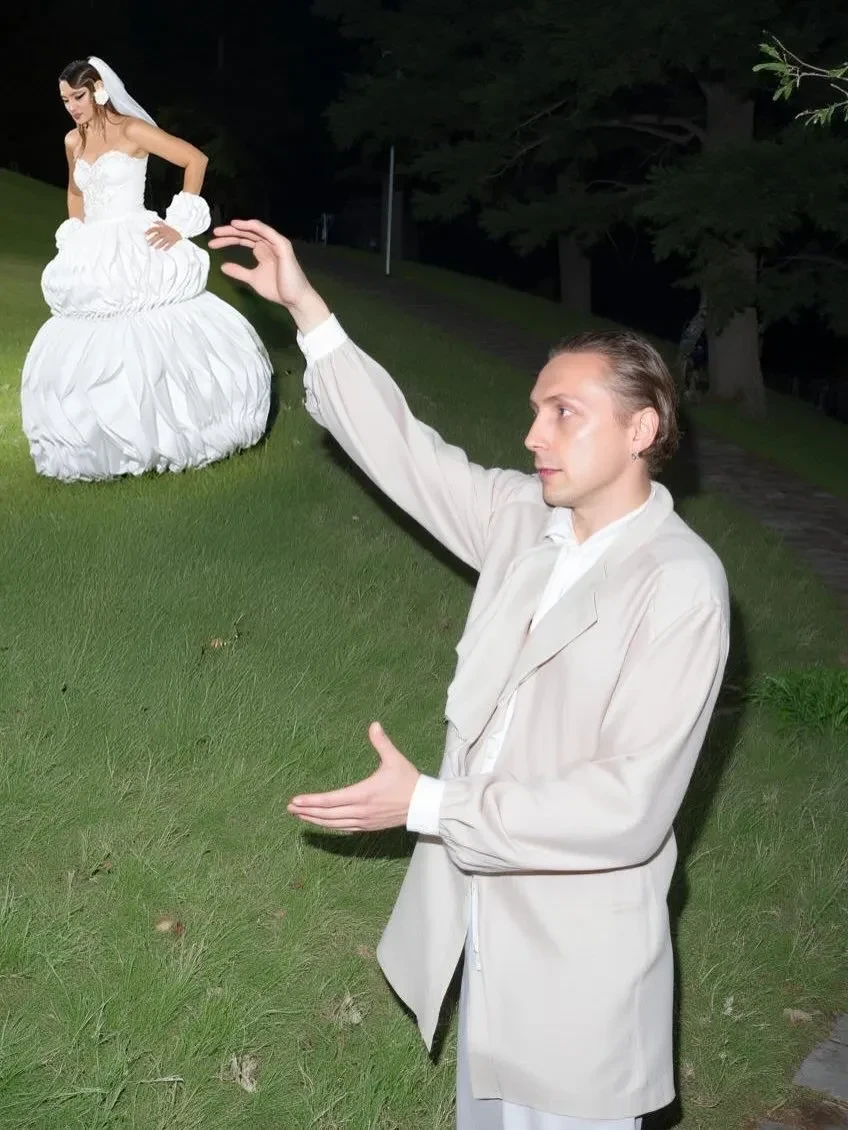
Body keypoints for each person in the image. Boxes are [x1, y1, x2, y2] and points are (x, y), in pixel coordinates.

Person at [210, 219, 731, 1129]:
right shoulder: (522, 523)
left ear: (642, 428)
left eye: (563, 412)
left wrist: (428, 805)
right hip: (480, 927)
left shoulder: (680, 583)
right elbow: (406, 453)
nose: (533, 434)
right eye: (535, 409)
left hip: (576, 968)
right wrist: (308, 310)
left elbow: (628, 806)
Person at [20, 58, 272, 482]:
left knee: (149, 327)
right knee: (92, 334)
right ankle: (100, 435)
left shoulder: (132, 130)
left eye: (78, 97)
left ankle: (168, 429)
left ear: (99, 90)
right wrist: (76, 234)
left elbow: (195, 160)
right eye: (65, 100)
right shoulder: (73, 140)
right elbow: (75, 192)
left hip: (136, 238)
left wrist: (179, 224)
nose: (72, 107)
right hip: (93, 247)